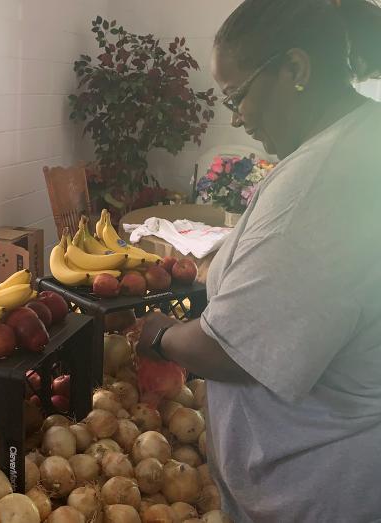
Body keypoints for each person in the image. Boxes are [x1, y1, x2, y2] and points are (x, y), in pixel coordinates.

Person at [137, 0, 381, 521]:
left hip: (320, 488)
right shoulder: (357, 138)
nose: (235, 116)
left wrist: (158, 334)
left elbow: (233, 351)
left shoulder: (327, 182)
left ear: (296, 68)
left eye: (238, 95)